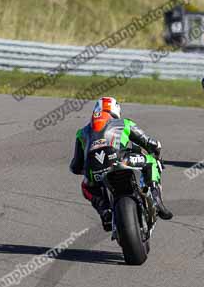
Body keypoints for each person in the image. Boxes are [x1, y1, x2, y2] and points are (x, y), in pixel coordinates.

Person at [69, 97, 172, 231]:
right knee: (151, 162)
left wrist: (90, 169)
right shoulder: (124, 123)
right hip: (121, 160)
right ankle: (157, 200)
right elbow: (149, 143)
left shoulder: (81, 133)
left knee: (86, 186)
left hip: (94, 170)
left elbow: (76, 166)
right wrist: (156, 153)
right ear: (116, 110)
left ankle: (104, 209)